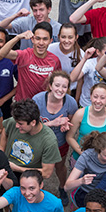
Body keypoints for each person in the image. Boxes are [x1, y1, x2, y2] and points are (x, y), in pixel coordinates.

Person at [32, 71, 78, 204]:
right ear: (50, 86)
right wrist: (52, 123)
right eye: (57, 85)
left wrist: (66, 126)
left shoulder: (70, 102)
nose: (60, 89)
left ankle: (62, 187)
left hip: (60, 142)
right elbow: (31, 126)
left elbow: (71, 121)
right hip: (38, 142)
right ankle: (36, 189)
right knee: (37, 166)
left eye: (64, 86)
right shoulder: (38, 100)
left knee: (60, 166)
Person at [0, 98, 62, 179]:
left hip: (29, 176)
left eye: (20, 124)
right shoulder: (15, 121)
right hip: (6, 169)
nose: (16, 126)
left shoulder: (49, 141)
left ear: (33, 122)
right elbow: (5, 128)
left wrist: (17, 168)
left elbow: (46, 173)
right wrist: (1, 155)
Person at [0, 22, 62, 101]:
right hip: (23, 104)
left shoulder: (55, 60)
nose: (41, 43)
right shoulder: (25, 55)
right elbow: (2, 53)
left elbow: (57, 82)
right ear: (33, 39)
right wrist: (18, 37)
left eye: (45, 39)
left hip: (43, 104)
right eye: (38, 38)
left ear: (50, 41)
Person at [66, 83, 106, 162]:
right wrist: (82, 153)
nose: (98, 101)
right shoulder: (80, 114)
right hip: (80, 157)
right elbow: (69, 137)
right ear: (90, 96)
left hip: (102, 161)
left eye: (102, 98)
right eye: (95, 97)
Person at [70, 37, 106, 107]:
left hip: (103, 107)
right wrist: (84, 58)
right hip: (86, 104)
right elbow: (73, 78)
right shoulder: (90, 63)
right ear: (98, 52)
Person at [47, 22, 84, 93]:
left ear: (76, 37)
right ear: (58, 36)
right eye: (63, 37)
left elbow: (80, 81)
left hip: (71, 90)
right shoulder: (50, 49)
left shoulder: (81, 55)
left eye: (70, 37)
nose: (66, 41)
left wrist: (76, 100)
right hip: (52, 89)